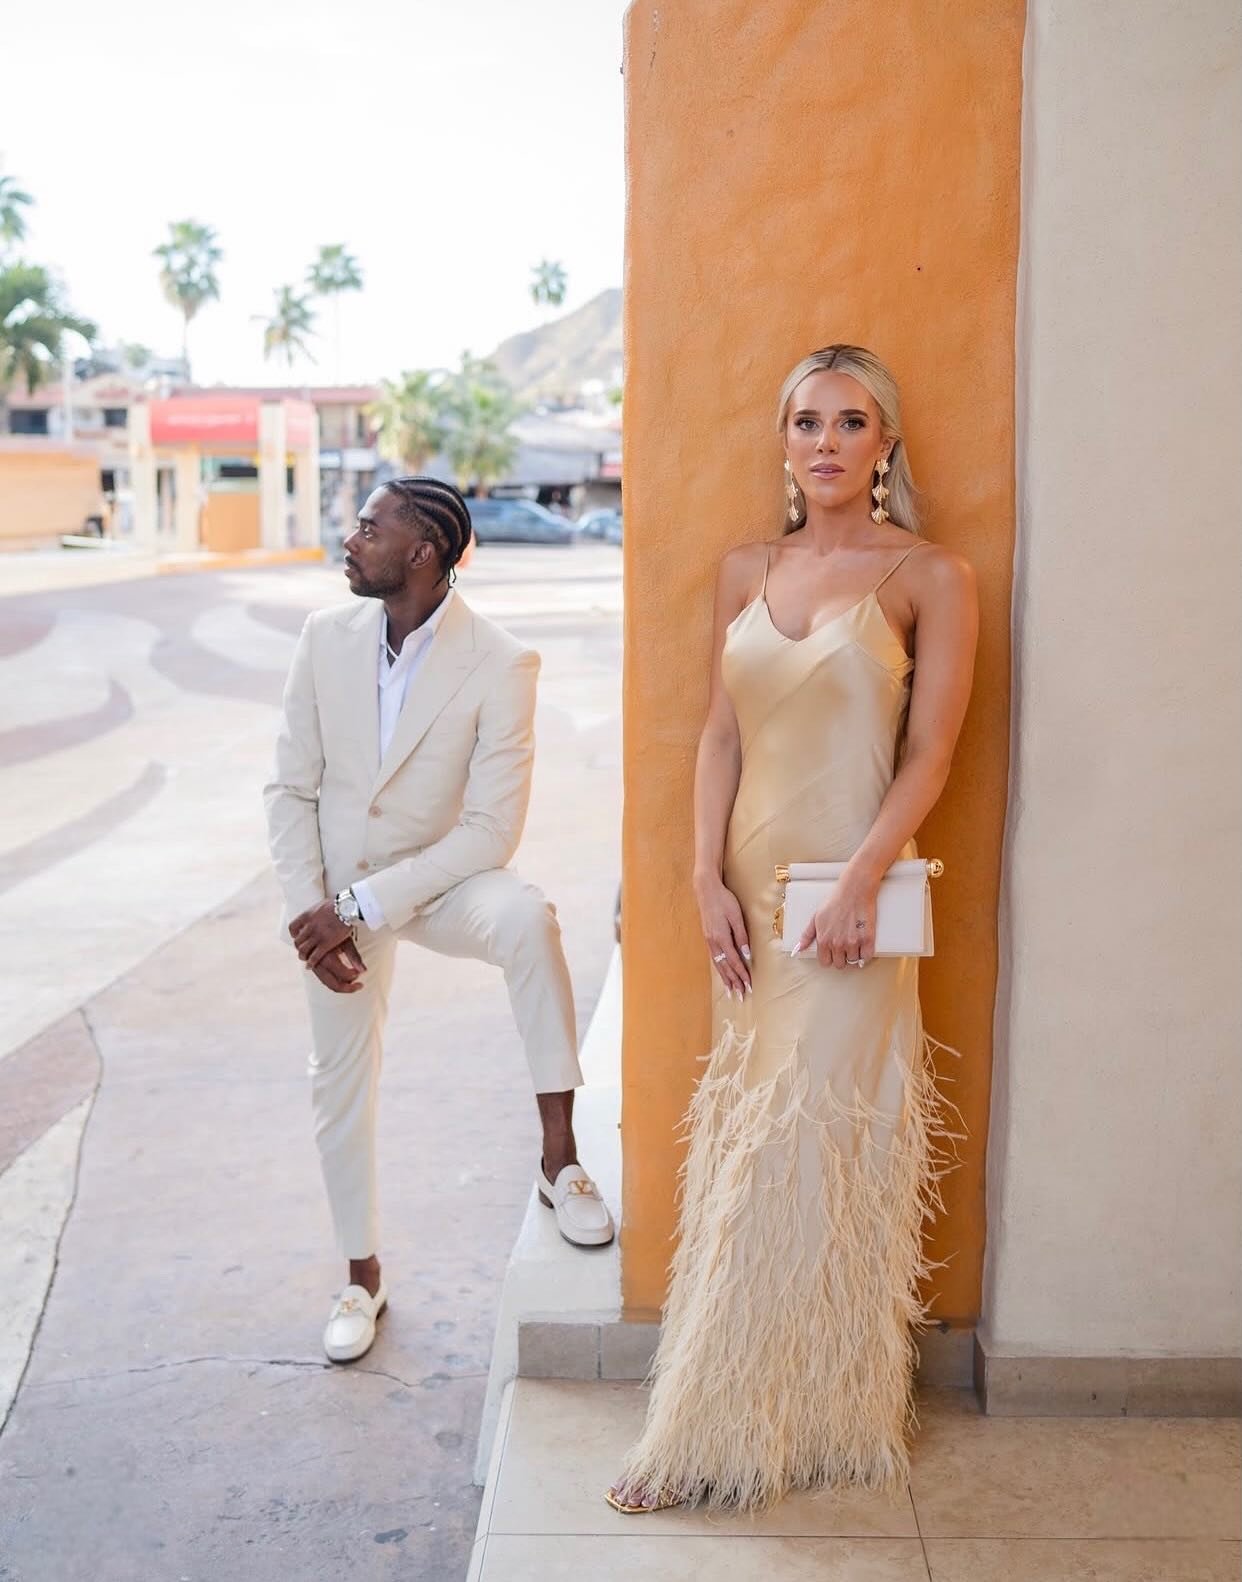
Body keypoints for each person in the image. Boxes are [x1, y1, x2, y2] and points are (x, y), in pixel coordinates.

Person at [607, 345, 978, 1513]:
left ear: (885, 445)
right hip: (749, 907)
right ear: (783, 442)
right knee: (752, 1138)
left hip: (853, 902)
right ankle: (809, 1410)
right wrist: (698, 876)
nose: (825, 441)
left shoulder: (933, 576)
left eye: (850, 421)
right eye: (806, 421)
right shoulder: (743, 570)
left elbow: (932, 754)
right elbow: (718, 734)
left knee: (810, 1140)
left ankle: (700, 1432)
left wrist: (867, 874)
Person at [264, 475, 614, 1365]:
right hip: (335, 894)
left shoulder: (500, 661)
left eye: (369, 527)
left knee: (529, 916)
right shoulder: (323, 636)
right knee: (336, 1074)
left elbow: (494, 830)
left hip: (436, 883)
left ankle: (558, 1160)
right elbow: (290, 787)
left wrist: (359, 905)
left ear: (421, 553)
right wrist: (313, 905)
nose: (351, 538)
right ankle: (362, 1275)